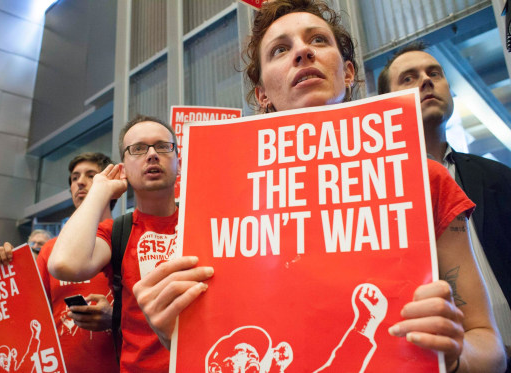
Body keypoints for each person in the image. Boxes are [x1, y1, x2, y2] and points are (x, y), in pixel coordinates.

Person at [131, 1, 507, 372]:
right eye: (281, 49)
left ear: (347, 73)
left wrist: (456, 355)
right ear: (262, 94)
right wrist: (175, 337)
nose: (302, 52)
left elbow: (488, 345)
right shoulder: (219, 199)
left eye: (318, 40)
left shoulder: (424, 178)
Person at [377, 41, 511, 367]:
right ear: (387, 103)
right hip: (437, 359)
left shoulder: (500, 177)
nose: (426, 80)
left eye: (433, 73)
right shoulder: (378, 192)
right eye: (408, 78)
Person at [48, 115, 185, 372]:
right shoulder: (116, 232)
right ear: (123, 166)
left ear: (179, 160)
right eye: (139, 149)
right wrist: (100, 189)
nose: (153, 154)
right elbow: (63, 264)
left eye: (163, 146)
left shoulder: (205, 220)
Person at [0, 152, 119, 373]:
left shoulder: (128, 239)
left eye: (91, 175)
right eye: (74, 178)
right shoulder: (51, 250)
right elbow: (30, 313)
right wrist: (6, 270)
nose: (80, 182)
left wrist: (114, 319)